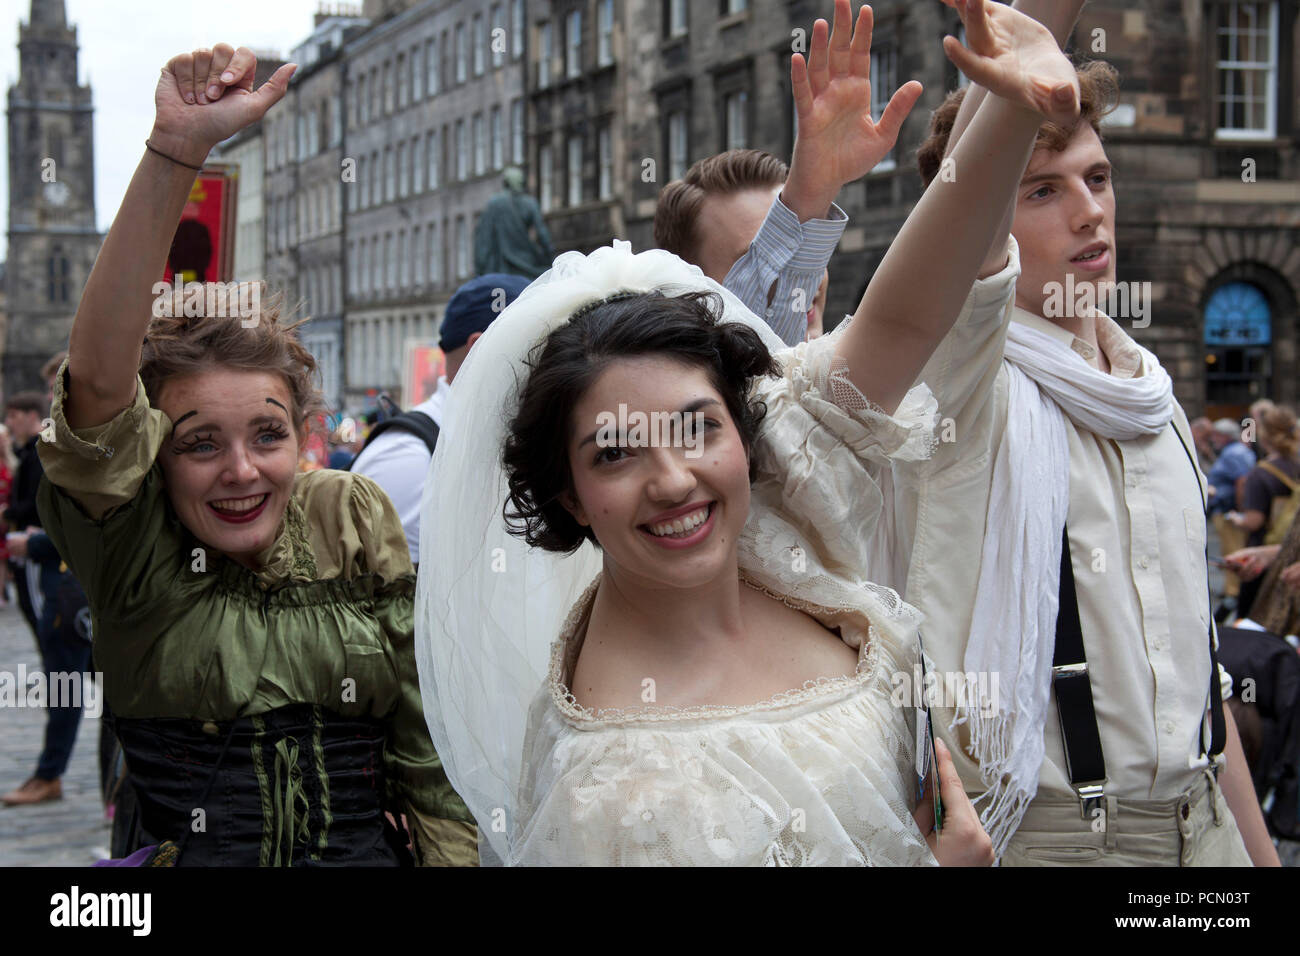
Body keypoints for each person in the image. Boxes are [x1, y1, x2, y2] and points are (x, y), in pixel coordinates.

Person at [416, 0, 1082, 865]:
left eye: (698, 429)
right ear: (566, 495)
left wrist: (1016, 102)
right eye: (615, 452)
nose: (674, 479)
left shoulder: (775, 522)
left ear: (747, 430)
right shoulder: (609, 792)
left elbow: (912, 315)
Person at [35, 43, 472, 865]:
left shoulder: (349, 513)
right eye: (200, 443)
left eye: (267, 435)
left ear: (302, 433)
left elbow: (428, 759)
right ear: (153, 456)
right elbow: (97, 382)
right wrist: (177, 152)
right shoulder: (132, 549)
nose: (241, 470)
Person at [891, 0, 1277, 865]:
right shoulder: (959, 386)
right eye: (1042, 190)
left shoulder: (1157, 398)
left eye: (1097, 180)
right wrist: (1023, 67)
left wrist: (1258, 860)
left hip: (1204, 823)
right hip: (1061, 843)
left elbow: (1200, 680)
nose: (1089, 212)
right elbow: (965, 240)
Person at [351, 273, 529, 564]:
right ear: (481, 348)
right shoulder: (406, 458)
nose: (552, 361)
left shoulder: (515, 439)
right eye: (537, 343)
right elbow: (378, 598)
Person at [473, 167, 554, 279]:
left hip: (502, 266)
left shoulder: (494, 203)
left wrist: (480, 267)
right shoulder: (530, 203)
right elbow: (542, 234)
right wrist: (550, 259)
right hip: (527, 263)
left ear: (506, 183)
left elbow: (484, 238)